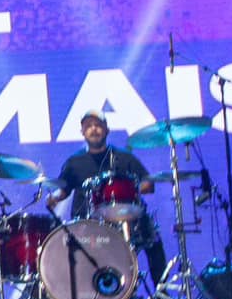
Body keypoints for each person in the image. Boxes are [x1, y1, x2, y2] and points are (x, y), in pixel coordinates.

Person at [46, 112, 167, 285]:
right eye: (88, 126)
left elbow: (148, 183)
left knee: (152, 239)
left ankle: (162, 296)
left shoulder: (124, 157)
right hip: (88, 226)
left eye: (97, 125)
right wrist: (54, 199)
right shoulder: (74, 162)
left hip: (125, 220)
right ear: (82, 132)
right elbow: (64, 191)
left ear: (107, 130)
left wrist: (137, 189)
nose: (93, 129)